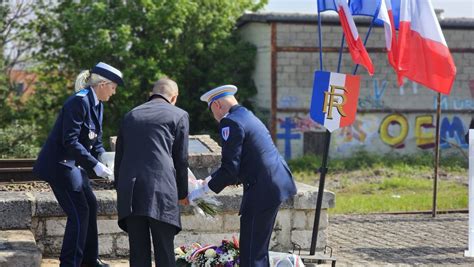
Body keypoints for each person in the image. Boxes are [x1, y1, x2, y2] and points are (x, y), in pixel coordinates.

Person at [189, 85, 298, 267]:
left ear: (216, 105)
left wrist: (200, 191)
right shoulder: (246, 115)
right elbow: (242, 163)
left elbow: (230, 169)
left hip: (262, 189)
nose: (214, 118)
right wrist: (206, 181)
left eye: (212, 112)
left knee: (251, 253)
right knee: (257, 249)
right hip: (273, 184)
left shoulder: (230, 122)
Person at [33, 62, 124, 267]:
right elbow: (70, 140)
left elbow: (95, 141)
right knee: (79, 212)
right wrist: (95, 165)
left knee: (90, 205)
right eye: (113, 87)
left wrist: (104, 159)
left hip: (73, 165)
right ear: (102, 84)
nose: (114, 92)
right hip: (60, 165)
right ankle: (69, 263)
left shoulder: (97, 104)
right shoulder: (79, 102)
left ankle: (88, 260)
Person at [114, 77, 189, 267]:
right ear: (174, 97)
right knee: (164, 251)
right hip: (162, 191)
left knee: (138, 253)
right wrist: (182, 193)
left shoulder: (130, 115)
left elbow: (119, 158)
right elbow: (180, 159)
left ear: (151, 94)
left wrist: (120, 189)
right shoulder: (178, 115)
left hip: (131, 192)